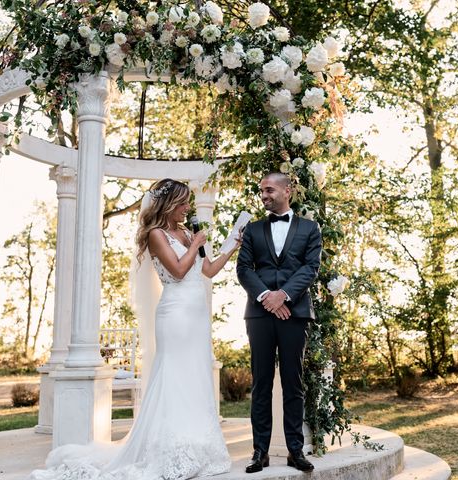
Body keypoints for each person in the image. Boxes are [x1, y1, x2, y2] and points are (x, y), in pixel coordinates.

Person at [29, 178, 240, 480]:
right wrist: (196, 243)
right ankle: (170, 446)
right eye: (182, 202)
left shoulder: (185, 231)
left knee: (195, 374)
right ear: (168, 204)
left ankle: (198, 444)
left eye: (187, 203)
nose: (187, 208)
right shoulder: (156, 235)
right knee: (175, 376)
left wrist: (231, 245)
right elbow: (179, 272)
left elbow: (207, 270)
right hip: (175, 314)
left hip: (196, 316)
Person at [237, 172, 322, 473]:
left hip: (294, 312)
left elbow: (310, 268)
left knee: (293, 383)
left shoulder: (310, 229)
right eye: (261, 191)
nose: (264, 196)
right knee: (261, 382)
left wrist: (283, 296)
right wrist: (267, 297)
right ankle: (259, 452)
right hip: (259, 314)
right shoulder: (253, 229)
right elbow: (244, 269)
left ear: (287, 190)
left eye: (269, 190)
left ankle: (295, 450)